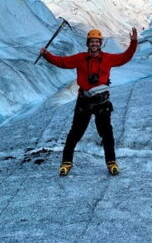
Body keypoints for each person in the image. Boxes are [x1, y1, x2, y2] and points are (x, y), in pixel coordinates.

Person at [40, 27, 138, 176]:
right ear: (88, 43)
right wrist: (47, 55)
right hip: (84, 102)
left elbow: (125, 57)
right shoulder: (80, 58)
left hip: (102, 103)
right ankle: (66, 162)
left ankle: (111, 162)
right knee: (75, 133)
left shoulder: (108, 58)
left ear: (100, 43)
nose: (94, 44)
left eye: (96, 41)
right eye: (92, 41)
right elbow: (62, 62)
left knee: (106, 133)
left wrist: (133, 42)